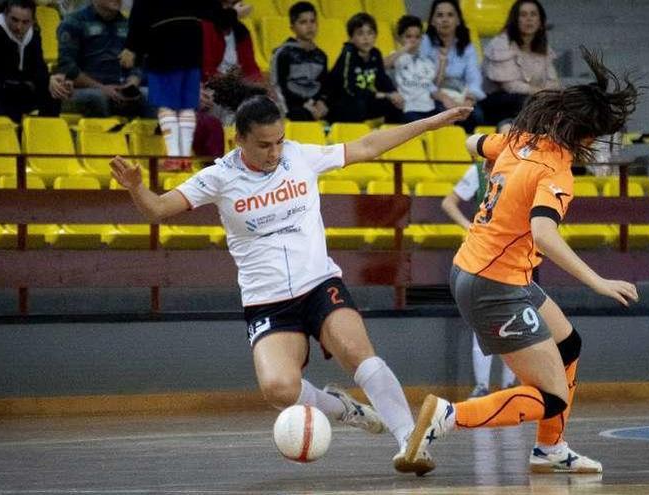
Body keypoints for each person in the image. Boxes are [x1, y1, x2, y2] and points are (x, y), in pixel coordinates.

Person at [110, 71, 473, 476]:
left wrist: (432, 122)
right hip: (268, 302)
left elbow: (369, 145)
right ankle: (346, 410)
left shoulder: (300, 156)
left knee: (358, 354)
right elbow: (158, 210)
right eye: (264, 145)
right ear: (238, 140)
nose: (274, 152)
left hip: (319, 284)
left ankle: (409, 441)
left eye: (279, 141)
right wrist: (136, 188)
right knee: (278, 389)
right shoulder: (219, 177)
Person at [400, 48, 639, 474]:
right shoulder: (556, 172)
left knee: (568, 344)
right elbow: (544, 235)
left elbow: (474, 143)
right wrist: (599, 281)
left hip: (482, 267)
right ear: (585, 137)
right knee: (550, 395)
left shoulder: (518, 141)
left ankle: (550, 448)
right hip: (495, 283)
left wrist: (494, 155)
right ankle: (449, 416)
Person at [441, 119, 518, 398]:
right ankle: (483, 385)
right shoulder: (478, 170)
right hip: (484, 253)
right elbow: (448, 202)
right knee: (482, 323)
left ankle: (509, 385)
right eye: (505, 137)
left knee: (516, 318)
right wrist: (469, 226)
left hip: (514, 253)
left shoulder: (527, 170)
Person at [121, 0, 235, 170]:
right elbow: (214, 12)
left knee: (167, 105)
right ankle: (185, 159)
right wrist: (231, 15)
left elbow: (141, 13)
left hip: (163, 43)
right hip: (192, 46)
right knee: (187, 106)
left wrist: (131, 46)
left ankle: (174, 157)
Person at [56, 0, 151, 118]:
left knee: (151, 97)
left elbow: (137, 64)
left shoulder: (128, 25)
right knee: (98, 98)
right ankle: (103, 135)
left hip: (120, 87)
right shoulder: (74, 22)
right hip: (86, 88)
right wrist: (102, 88)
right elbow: (68, 68)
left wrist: (131, 85)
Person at [0, 0, 65, 121]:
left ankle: (43, 134)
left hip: (21, 88)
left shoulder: (33, 35)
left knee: (52, 92)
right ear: (6, 15)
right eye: (14, 20)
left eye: (25, 22)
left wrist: (49, 80)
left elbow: (39, 68)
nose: (19, 27)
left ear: (32, 21)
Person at [481, 0, 560, 126]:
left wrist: (545, 93)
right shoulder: (500, 44)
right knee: (526, 101)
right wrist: (540, 92)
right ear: (514, 20)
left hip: (532, 99)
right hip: (498, 103)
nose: (529, 19)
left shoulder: (543, 48)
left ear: (540, 21)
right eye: (523, 15)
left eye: (533, 14)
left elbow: (554, 82)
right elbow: (510, 86)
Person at [420, 0, 485, 131]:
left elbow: (474, 78)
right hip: (431, 95)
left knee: (477, 115)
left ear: (458, 20)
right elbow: (422, 80)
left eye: (450, 15)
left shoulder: (466, 45)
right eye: (440, 15)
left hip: (460, 95)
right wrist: (443, 98)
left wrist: (469, 100)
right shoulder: (424, 43)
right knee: (440, 113)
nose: (445, 20)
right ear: (432, 21)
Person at [326, 13, 402, 123]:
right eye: (360, 33)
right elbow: (349, 89)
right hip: (341, 103)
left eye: (370, 33)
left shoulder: (375, 54)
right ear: (351, 38)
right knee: (357, 104)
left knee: (395, 105)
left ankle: (391, 137)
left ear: (375, 36)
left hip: (365, 99)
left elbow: (382, 78)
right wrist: (379, 94)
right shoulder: (348, 53)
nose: (366, 38)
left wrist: (394, 93)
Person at [269, 1, 328, 122]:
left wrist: (321, 102)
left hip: (313, 104)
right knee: (302, 115)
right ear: (292, 27)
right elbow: (278, 86)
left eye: (312, 21)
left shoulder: (321, 56)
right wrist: (304, 105)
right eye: (303, 22)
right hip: (291, 106)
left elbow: (323, 85)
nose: (309, 26)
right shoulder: (283, 53)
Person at [385, 15, 441, 123]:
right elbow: (383, 65)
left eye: (417, 37)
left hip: (428, 106)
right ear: (400, 38)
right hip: (407, 108)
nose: (413, 40)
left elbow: (435, 86)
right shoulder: (397, 56)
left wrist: (442, 64)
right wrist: (405, 48)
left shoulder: (427, 60)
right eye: (408, 36)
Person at [201, 0, 262, 83]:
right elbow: (207, 71)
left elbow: (251, 68)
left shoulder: (242, 31)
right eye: (225, 5)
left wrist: (258, 83)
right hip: (213, 86)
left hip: (236, 85)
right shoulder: (206, 27)